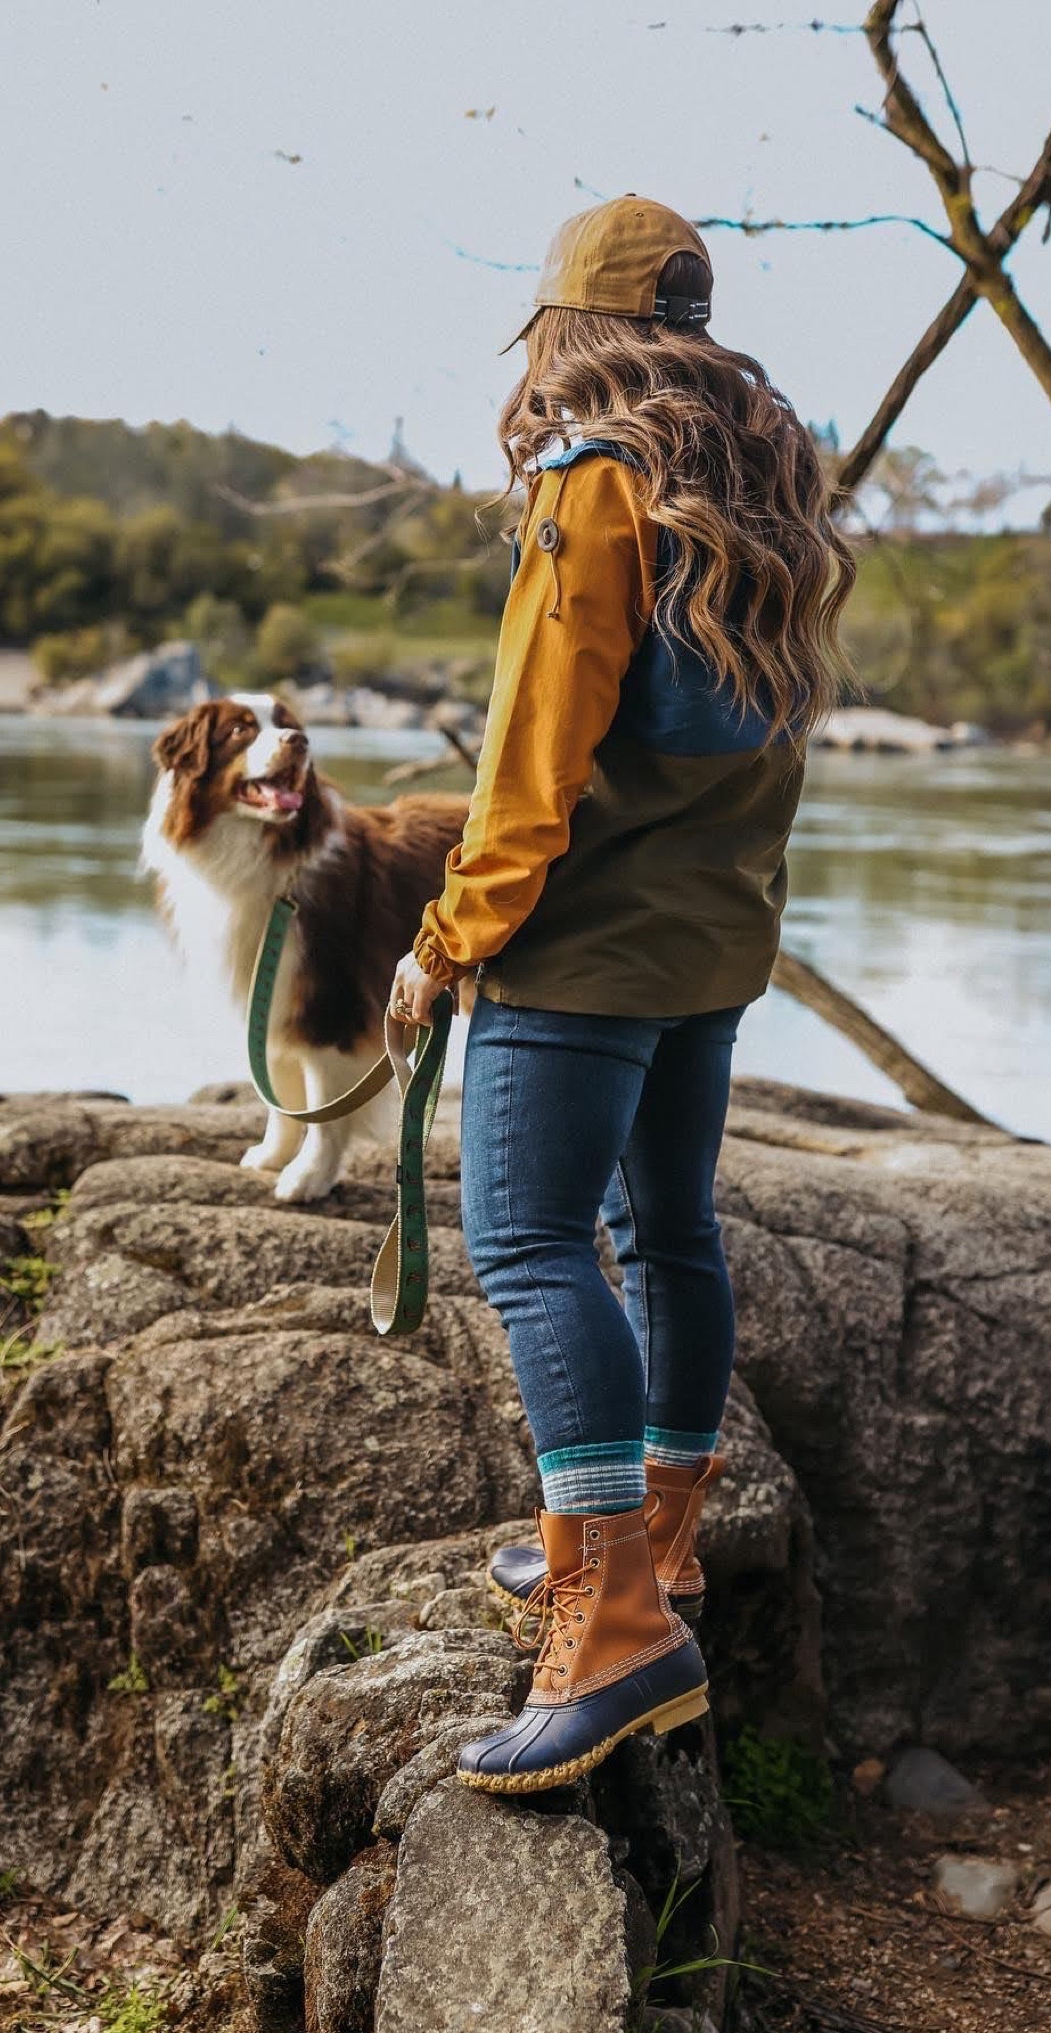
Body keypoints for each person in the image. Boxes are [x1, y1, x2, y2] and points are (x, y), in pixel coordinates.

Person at [388, 194, 855, 1794]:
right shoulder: (769, 487)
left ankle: (611, 1629)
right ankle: (656, 1544)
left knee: (527, 1245)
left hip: (580, 956)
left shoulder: (592, 488)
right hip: (714, 950)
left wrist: (445, 940)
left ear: (566, 331)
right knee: (668, 1236)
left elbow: (531, 764)